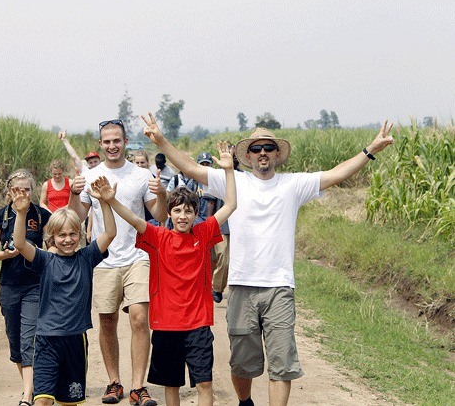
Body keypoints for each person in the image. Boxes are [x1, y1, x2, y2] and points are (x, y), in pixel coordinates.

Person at [142, 112, 395, 406]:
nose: (262, 154)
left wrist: (370, 151)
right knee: (242, 364)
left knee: (282, 362)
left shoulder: (293, 185)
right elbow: (190, 167)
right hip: (241, 285)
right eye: (256, 149)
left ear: (277, 155)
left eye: (268, 149)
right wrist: (160, 140)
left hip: (279, 287)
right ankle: (245, 401)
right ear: (247, 156)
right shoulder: (232, 181)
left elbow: (336, 174)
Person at [98, 141, 236, 406]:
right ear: (169, 214)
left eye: (188, 211)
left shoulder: (204, 233)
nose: (182, 216)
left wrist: (228, 170)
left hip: (197, 324)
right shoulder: (158, 237)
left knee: (204, 383)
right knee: (171, 384)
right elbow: (135, 220)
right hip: (166, 325)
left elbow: (230, 205)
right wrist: (111, 199)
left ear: (196, 214)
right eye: (176, 211)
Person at [68, 119, 167, 406]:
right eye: (107, 141)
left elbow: (159, 216)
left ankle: (139, 386)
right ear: (100, 144)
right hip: (104, 259)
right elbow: (78, 217)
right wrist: (75, 194)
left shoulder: (140, 174)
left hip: (138, 256)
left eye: (117, 140)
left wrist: (161, 193)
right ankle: (114, 382)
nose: (112, 146)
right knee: (107, 321)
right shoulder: (90, 176)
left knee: (139, 318)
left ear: (125, 142)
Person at [10, 176, 116, 405]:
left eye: (72, 234)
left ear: (80, 235)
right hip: (47, 339)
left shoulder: (86, 257)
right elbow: (20, 244)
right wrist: (20, 214)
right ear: (52, 238)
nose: (68, 240)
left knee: (70, 402)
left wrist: (106, 203)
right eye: (61, 235)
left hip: (75, 341)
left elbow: (110, 234)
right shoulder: (44, 260)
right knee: (43, 400)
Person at [0, 168, 52, 406]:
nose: (22, 193)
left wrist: (39, 253)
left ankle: (27, 396)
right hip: (10, 285)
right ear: (9, 191)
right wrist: (5, 254)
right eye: (18, 189)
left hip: (35, 284)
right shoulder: (0, 216)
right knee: (15, 342)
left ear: (32, 191)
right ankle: (31, 389)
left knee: (29, 340)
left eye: (26, 189)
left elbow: (51, 244)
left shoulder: (41, 214)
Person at [205, 143, 240, 304]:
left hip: (241, 226)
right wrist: (209, 224)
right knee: (222, 259)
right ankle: (217, 288)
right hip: (222, 225)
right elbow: (211, 202)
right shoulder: (219, 176)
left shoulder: (246, 177)